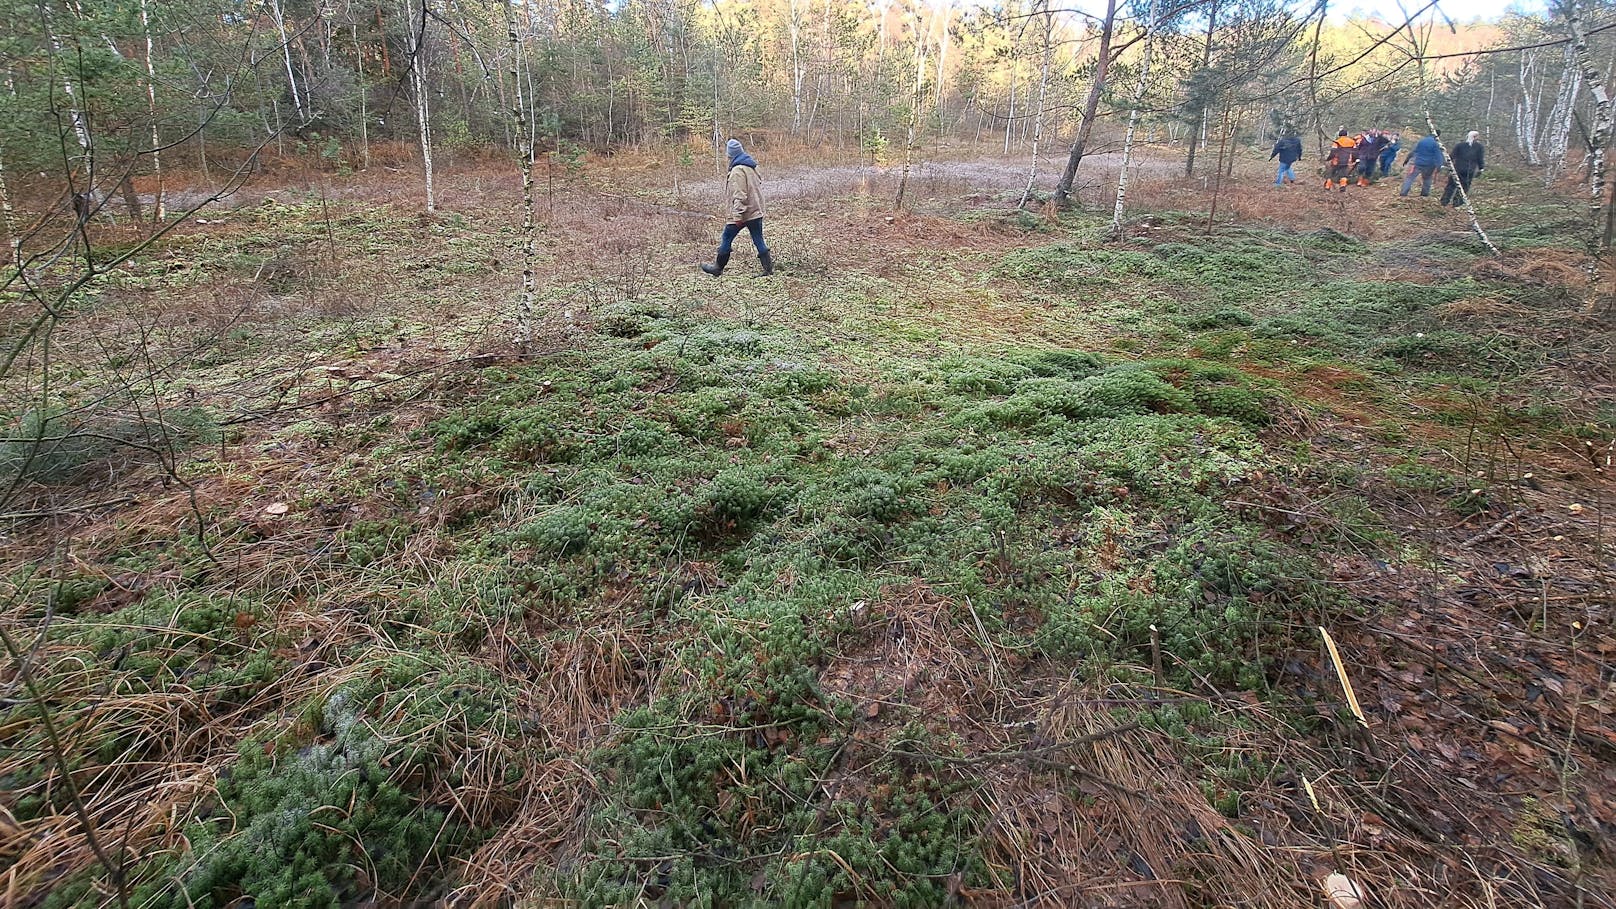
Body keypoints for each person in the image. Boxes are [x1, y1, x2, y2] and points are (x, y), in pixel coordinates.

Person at [701, 139, 773, 277]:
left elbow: (740, 195)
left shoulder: (737, 171)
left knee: (726, 237)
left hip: (744, 212)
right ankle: (768, 269)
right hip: (756, 211)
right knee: (758, 239)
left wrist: (738, 216)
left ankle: (717, 268)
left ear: (730, 155)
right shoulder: (751, 166)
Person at [1440, 130, 1486, 207]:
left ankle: (1444, 201)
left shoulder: (1460, 145)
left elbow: (1452, 156)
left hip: (1457, 169)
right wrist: (1481, 168)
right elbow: (1480, 159)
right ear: (1475, 137)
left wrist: (1445, 164)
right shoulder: (1479, 147)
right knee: (1464, 187)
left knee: (1451, 185)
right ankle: (1457, 203)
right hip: (1469, 171)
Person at [1400, 131, 1444, 197]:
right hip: (1429, 165)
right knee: (1427, 179)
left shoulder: (1422, 141)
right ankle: (1424, 195)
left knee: (1410, 178)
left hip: (1418, 163)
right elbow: (1438, 156)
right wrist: (1439, 166)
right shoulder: (1436, 144)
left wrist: (1407, 160)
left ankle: (1403, 192)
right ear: (1438, 136)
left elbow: (1414, 151)